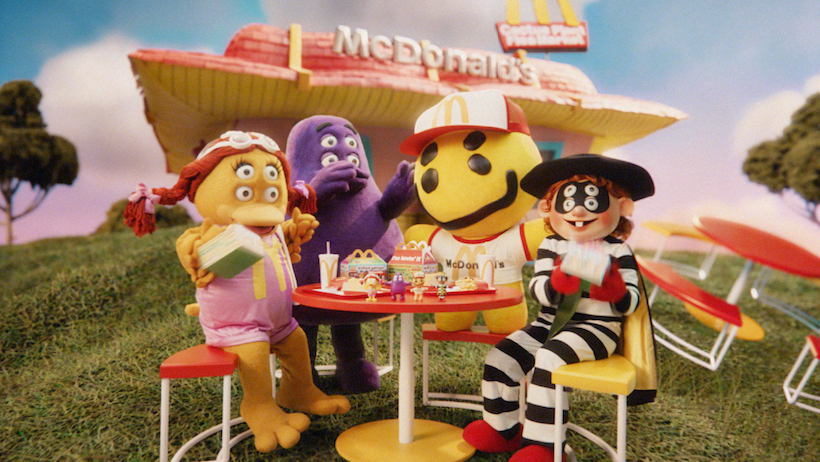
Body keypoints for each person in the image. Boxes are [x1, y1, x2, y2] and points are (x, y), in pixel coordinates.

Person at [463, 154, 654, 462]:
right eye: (567, 201)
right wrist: (556, 284)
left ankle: (544, 446)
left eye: (591, 201)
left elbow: (631, 301)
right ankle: (503, 428)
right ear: (548, 208)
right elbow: (537, 289)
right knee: (501, 356)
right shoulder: (551, 246)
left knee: (549, 358)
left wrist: (614, 289)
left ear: (622, 207)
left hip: (596, 329)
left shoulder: (618, 250)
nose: (578, 210)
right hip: (549, 324)